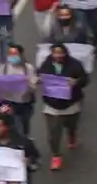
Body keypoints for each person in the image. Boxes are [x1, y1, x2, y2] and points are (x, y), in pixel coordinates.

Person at [38, 42, 89, 170]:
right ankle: (56, 155)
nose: (58, 55)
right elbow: (40, 75)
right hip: (52, 104)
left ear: (65, 53)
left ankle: (72, 135)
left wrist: (76, 82)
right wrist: (39, 80)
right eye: (55, 53)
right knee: (53, 132)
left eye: (60, 53)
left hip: (71, 103)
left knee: (71, 124)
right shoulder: (46, 64)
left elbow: (85, 79)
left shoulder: (75, 64)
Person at [0, 43, 38, 135]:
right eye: (10, 54)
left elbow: (33, 86)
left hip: (25, 103)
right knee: (14, 124)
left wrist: (27, 83)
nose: (12, 56)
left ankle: (25, 138)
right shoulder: (4, 68)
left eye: (15, 54)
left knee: (24, 123)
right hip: (9, 102)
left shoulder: (28, 68)